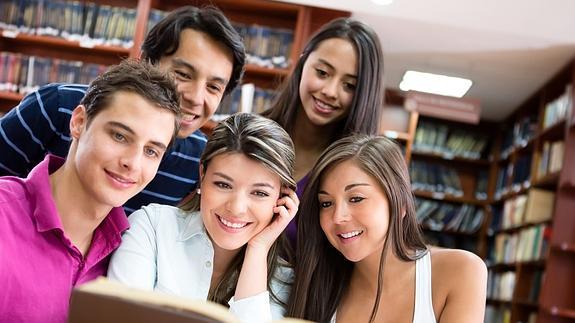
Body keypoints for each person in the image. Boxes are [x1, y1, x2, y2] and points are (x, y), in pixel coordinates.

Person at [0, 6, 246, 213]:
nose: (195, 97)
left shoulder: (200, 162)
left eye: (214, 87)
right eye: (182, 74)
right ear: (146, 62)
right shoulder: (56, 106)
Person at [0, 60, 181, 323]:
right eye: (120, 136)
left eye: (151, 151)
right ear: (79, 122)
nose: (133, 162)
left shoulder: (132, 254)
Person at [108, 113, 299, 323]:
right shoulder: (152, 227)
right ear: (202, 175)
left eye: (259, 193)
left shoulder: (284, 281)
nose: (236, 208)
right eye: (223, 185)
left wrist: (258, 250)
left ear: (282, 197)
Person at [286, 134, 487, 323]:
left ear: (400, 205)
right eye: (326, 203)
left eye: (356, 198)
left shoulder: (461, 270)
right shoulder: (318, 284)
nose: (338, 217)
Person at [262, 17, 384, 243]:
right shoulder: (249, 136)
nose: (330, 91)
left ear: (363, 95)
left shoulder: (360, 170)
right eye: (322, 73)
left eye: (349, 86)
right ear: (302, 63)